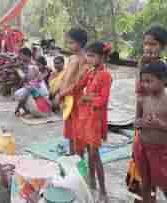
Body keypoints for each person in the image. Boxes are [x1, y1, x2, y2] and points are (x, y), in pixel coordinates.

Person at [63, 42, 112, 202]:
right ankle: (91, 183)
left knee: (94, 154)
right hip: (85, 117)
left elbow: (103, 100)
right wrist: (63, 92)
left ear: (102, 57)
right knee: (85, 152)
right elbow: (78, 86)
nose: (88, 59)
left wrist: (86, 98)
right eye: (88, 55)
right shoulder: (91, 72)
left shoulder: (105, 75)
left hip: (96, 119)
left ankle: (103, 190)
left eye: (92, 56)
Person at [134, 62, 167, 203]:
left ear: (164, 80)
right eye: (143, 81)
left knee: (164, 185)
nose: (145, 85)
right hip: (142, 146)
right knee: (145, 183)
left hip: (161, 150)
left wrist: (160, 124)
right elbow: (136, 122)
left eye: (149, 81)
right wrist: (140, 123)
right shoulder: (142, 100)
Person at [57, 28, 88, 155]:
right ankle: (71, 155)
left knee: (77, 131)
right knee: (69, 130)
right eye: (67, 42)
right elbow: (66, 77)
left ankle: (79, 157)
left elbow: (78, 83)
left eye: (71, 43)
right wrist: (60, 92)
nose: (68, 45)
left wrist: (63, 93)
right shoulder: (71, 58)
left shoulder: (84, 59)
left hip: (77, 99)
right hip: (67, 98)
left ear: (80, 43)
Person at [14, 48, 49, 117]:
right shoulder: (30, 69)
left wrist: (17, 109)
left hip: (41, 100)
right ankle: (29, 111)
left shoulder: (33, 67)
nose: (20, 57)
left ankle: (30, 112)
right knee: (20, 93)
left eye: (21, 55)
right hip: (37, 91)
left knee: (22, 94)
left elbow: (28, 86)